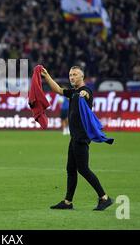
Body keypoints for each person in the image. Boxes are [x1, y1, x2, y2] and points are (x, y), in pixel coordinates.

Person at [41, 65, 113, 211]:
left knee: (84, 169)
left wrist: (83, 95)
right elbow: (59, 90)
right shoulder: (73, 92)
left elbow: (86, 94)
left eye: (75, 74)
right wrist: (47, 76)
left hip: (81, 137)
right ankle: (68, 202)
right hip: (75, 138)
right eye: (70, 75)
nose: (72, 77)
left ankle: (104, 197)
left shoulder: (85, 91)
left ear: (82, 76)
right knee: (71, 169)